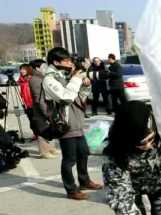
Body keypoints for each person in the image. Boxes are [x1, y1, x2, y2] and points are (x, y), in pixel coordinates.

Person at [42, 47, 103, 200]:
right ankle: (71, 190)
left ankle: (84, 181)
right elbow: (66, 97)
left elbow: (79, 98)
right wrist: (76, 78)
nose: (70, 63)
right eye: (66, 60)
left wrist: (85, 85)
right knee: (69, 159)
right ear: (56, 62)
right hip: (65, 124)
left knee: (83, 153)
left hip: (77, 121)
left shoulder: (64, 75)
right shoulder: (49, 80)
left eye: (70, 60)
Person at [28, 59, 60, 159]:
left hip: (47, 107)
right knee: (42, 131)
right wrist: (45, 112)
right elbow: (39, 98)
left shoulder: (41, 77)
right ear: (37, 68)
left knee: (48, 129)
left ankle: (49, 148)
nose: (46, 68)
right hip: (41, 109)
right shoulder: (35, 79)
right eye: (44, 66)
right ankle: (44, 152)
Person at [17, 64, 34, 134]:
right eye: (21, 69)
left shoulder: (31, 79)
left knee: (36, 120)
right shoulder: (21, 80)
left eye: (23, 69)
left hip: (33, 103)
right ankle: (35, 134)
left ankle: (40, 135)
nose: (21, 71)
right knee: (31, 120)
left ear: (28, 69)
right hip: (27, 104)